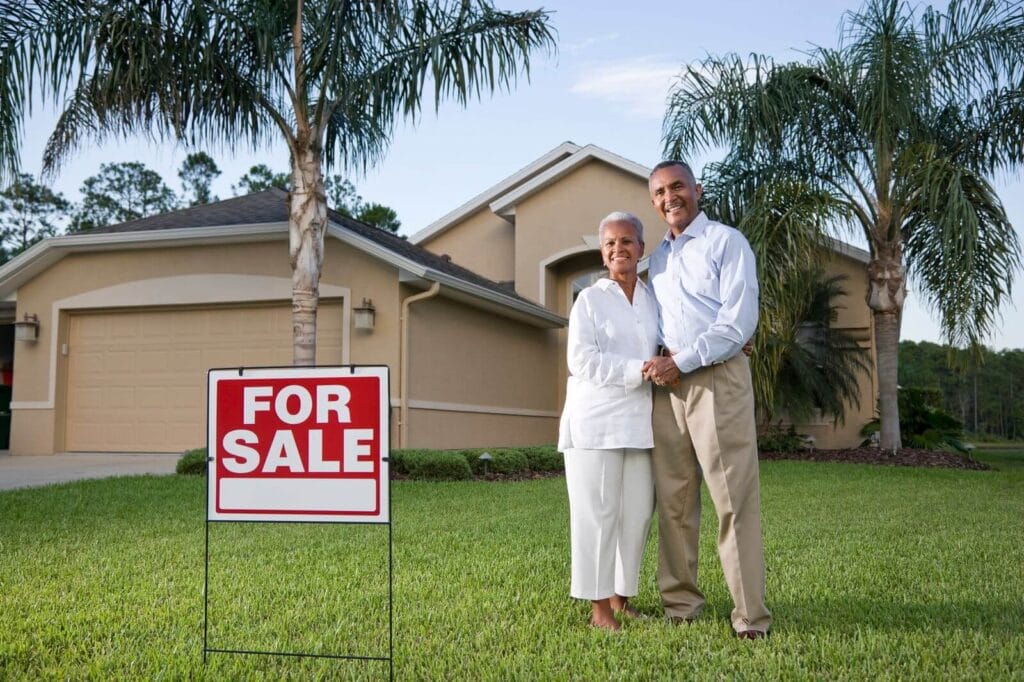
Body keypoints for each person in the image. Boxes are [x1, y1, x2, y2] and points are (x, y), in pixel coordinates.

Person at [641, 160, 772, 639]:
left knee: (732, 500)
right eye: (659, 192)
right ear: (653, 202)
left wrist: (686, 359)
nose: (669, 197)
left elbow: (738, 323)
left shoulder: (726, 242)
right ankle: (681, 605)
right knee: (673, 499)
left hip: (716, 379)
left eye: (677, 186)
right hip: (667, 386)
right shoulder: (657, 259)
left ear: (697, 189)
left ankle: (750, 618)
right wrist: (663, 359)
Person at [557, 211, 659, 631]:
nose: (619, 248)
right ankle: (599, 609)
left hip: (640, 423)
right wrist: (640, 369)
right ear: (603, 254)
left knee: (636, 514)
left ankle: (621, 598)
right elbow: (581, 360)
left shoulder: (653, 299)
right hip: (594, 424)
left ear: (641, 247)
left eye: (627, 240)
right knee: (596, 517)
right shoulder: (590, 299)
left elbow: (669, 344)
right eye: (610, 243)